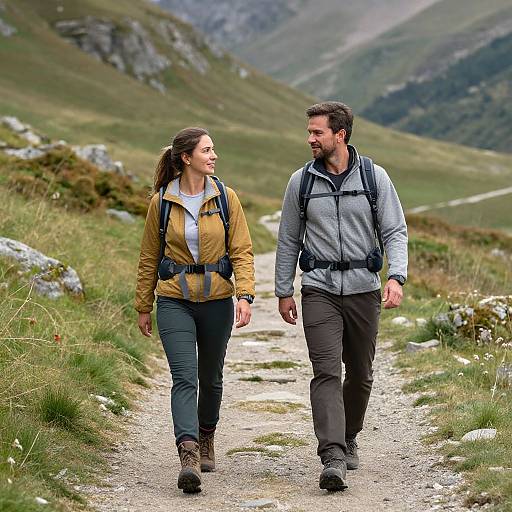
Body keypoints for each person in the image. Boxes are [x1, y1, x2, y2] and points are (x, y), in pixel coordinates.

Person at [275, 102, 408, 491]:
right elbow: (287, 240)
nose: (310, 139)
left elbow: (395, 231)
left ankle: (350, 435)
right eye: (309, 132)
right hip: (319, 289)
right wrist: (284, 290)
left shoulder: (373, 177)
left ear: (340, 135)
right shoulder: (300, 182)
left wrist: (396, 276)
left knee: (361, 374)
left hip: (365, 290)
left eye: (317, 132)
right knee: (327, 371)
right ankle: (332, 455)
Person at [135, 127, 255, 494]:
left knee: (211, 377)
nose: (213, 156)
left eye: (213, 150)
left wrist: (245, 295)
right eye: (207, 150)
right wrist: (144, 304)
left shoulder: (225, 197)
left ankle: (206, 437)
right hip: (174, 300)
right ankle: (188, 453)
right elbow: (148, 258)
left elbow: (242, 251)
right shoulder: (162, 201)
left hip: (218, 300)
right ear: (187, 158)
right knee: (184, 377)